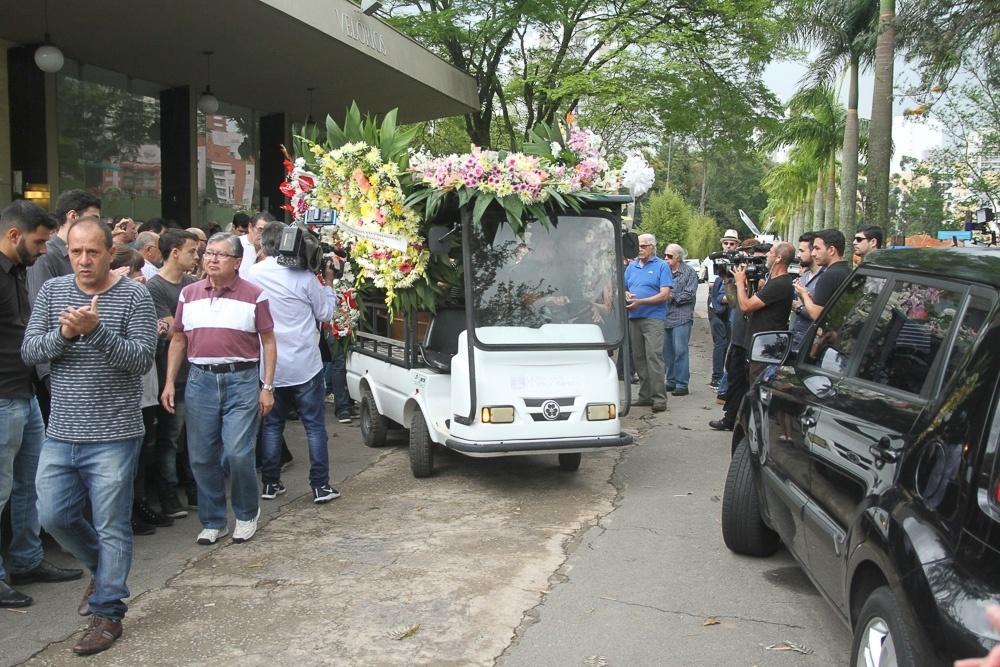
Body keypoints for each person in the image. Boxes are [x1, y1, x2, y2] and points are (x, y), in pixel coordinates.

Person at [22, 217, 157, 655]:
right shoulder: (52, 292)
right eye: (76, 252)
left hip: (115, 431)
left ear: (110, 253)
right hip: (61, 429)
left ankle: (107, 613)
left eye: (92, 252)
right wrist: (64, 333)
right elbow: (30, 351)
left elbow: (139, 360)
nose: (83, 260)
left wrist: (95, 331)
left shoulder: (135, 294)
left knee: (112, 524)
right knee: (53, 516)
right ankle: (105, 572)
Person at [161, 232, 276, 546]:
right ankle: (213, 521)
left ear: (237, 262)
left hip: (241, 379)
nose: (210, 259)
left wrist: (267, 386)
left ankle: (246, 513)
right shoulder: (189, 293)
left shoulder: (255, 295)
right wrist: (170, 381)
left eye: (220, 254)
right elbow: (179, 339)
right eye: (207, 253)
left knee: (239, 453)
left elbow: (268, 341)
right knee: (201, 456)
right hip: (201, 380)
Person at [0, 201, 83, 609]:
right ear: (14, 234)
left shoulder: (17, 271)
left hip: (24, 392)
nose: (42, 250)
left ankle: (28, 559)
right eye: (38, 241)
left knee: (27, 486)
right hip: (2, 397)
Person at [247, 222, 340, 502]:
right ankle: (320, 485)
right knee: (314, 426)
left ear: (265, 244)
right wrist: (329, 283)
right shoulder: (304, 277)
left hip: (269, 366)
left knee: (273, 426)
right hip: (304, 363)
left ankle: (270, 484)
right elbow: (324, 313)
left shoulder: (253, 274)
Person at [145, 230, 200, 519]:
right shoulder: (154, 288)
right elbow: (171, 328)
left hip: (196, 371)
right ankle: (168, 497)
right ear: (175, 252)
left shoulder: (193, 284)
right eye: (192, 251)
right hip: (172, 375)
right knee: (169, 437)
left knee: (196, 437)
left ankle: (195, 491)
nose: (197, 257)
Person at [710, 239, 769, 431]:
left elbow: (749, 305)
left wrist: (756, 283)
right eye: (754, 262)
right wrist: (729, 280)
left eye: (761, 263)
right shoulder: (743, 279)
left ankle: (751, 423)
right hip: (739, 336)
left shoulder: (773, 281)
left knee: (751, 383)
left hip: (757, 339)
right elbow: (735, 303)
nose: (756, 268)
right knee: (735, 378)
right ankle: (730, 417)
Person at [624, 233, 672, 412]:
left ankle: (659, 398)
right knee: (639, 357)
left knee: (654, 356)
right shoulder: (631, 267)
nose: (640, 249)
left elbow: (665, 294)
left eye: (644, 246)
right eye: (638, 246)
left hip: (653, 317)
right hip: (634, 317)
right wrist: (626, 294)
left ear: (652, 247)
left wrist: (641, 302)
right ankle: (645, 396)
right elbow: (623, 287)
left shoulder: (661, 266)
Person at [662, 243, 697, 396]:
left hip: (682, 316)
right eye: (665, 255)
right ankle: (671, 381)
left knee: (680, 350)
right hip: (665, 316)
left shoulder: (689, 272)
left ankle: (682, 384)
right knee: (667, 352)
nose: (666, 258)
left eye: (669, 256)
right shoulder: (664, 271)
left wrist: (672, 296)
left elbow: (690, 294)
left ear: (678, 257)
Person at [794, 229, 851, 324]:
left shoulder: (828, 276)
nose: (813, 253)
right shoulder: (848, 271)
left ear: (831, 250)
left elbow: (817, 314)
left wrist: (803, 294)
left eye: (817, 248)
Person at [790, 232, 823, 354]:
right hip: (795, 339)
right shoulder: (804, 276)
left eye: (802, 251)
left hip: (810, 345)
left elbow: (821, 313)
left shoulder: (824, 278)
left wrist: (799, 307)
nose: (798, 255)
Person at [239, 212, 273, 278]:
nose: (263, 234)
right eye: (260, 230)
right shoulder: (238, 243)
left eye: (267, 231)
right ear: (250, 227)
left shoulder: (271, 249)